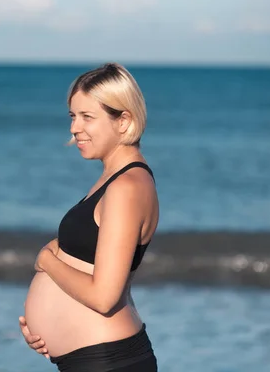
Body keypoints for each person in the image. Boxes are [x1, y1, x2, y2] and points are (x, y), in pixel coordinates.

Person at [19, 62, 159, 371]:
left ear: (123, 121)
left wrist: (47, 261)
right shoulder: (115, 179)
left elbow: (105, 296)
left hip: (107, 361)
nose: (73, 128)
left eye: (87, 117)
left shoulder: (127, 186)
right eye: (72, 116)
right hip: (93, 359)